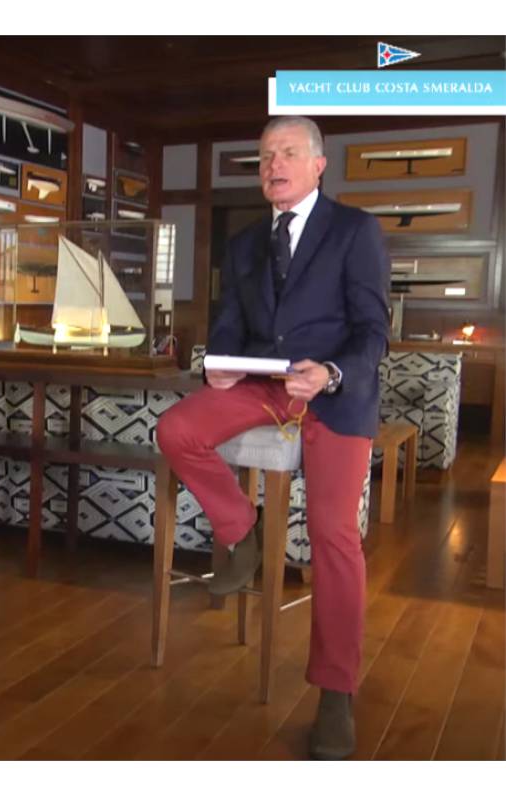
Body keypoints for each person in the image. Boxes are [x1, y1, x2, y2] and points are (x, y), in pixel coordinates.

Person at [157, 116, 390, 759]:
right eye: (264, 156)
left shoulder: (355, 231)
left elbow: (374, 331)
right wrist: (219, 362)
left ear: (318, 165)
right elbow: (230, 323)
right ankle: (243, 531)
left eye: (287, 152)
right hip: (263, 386)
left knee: (333, 535)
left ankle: (336, 694)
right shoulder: (243, 243)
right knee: (176, 429)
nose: (273, 165)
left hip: (334, 392)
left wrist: (332, 372)